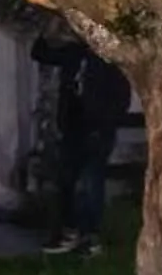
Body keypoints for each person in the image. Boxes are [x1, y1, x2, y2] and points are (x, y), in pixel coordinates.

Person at [32, 25, 132, 257]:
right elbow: (40, 54)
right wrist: (48, 32)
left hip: (97, 127)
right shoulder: (74, 53)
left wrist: (107, 123)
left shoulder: (110, 61)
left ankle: (90, 236)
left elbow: (120, 96)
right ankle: (69, 231)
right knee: (66, 179)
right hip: (73, 125)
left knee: (91, 180)